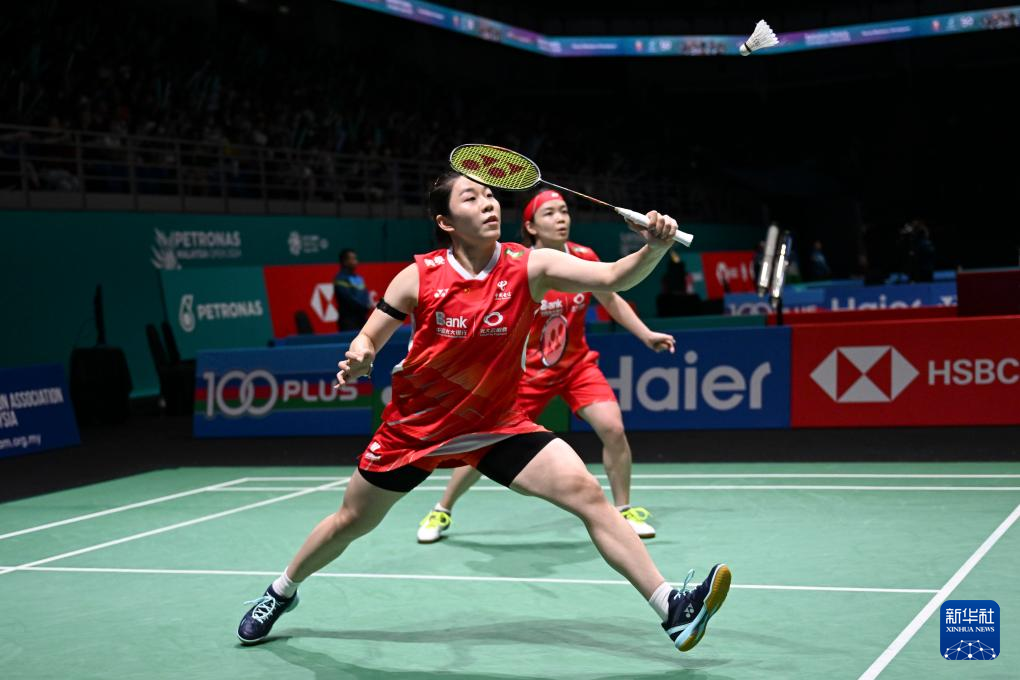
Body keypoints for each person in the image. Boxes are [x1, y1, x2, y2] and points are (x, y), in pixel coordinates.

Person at [236, 171, 730, 655]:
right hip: (418, 428)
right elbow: (369, 335)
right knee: (351, 520)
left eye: (490, 195)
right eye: (471, 198)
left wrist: (654, 248)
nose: (488, 203)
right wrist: (361, 355)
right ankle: (281, 591)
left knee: (585, 492)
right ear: (446, 221)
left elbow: (612, 277)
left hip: (496, 423)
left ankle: (672, 608)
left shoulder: (530, 265)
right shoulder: (419, 276)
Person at [416, 189, 676, 544]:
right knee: (485, 445)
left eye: (564, 211)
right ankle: (442, 508)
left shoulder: (583, 256)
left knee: (613, 428)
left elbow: (610, 297)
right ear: (531, 227)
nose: (561, 218)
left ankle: (624, 509)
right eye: (550, 213)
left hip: (577, 367)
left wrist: (645, 334)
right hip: (527, 374)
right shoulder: (522, 266)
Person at [333, 248, 371, 331]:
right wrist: (362, 307)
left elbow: (365, 294)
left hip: (362, 319)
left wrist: (367, 305)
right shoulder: (340, 279)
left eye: (356, 259)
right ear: (345, 262)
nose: (356, 261)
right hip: (348, 321)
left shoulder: (358, 278)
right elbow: (348, 299)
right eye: (353, 259)